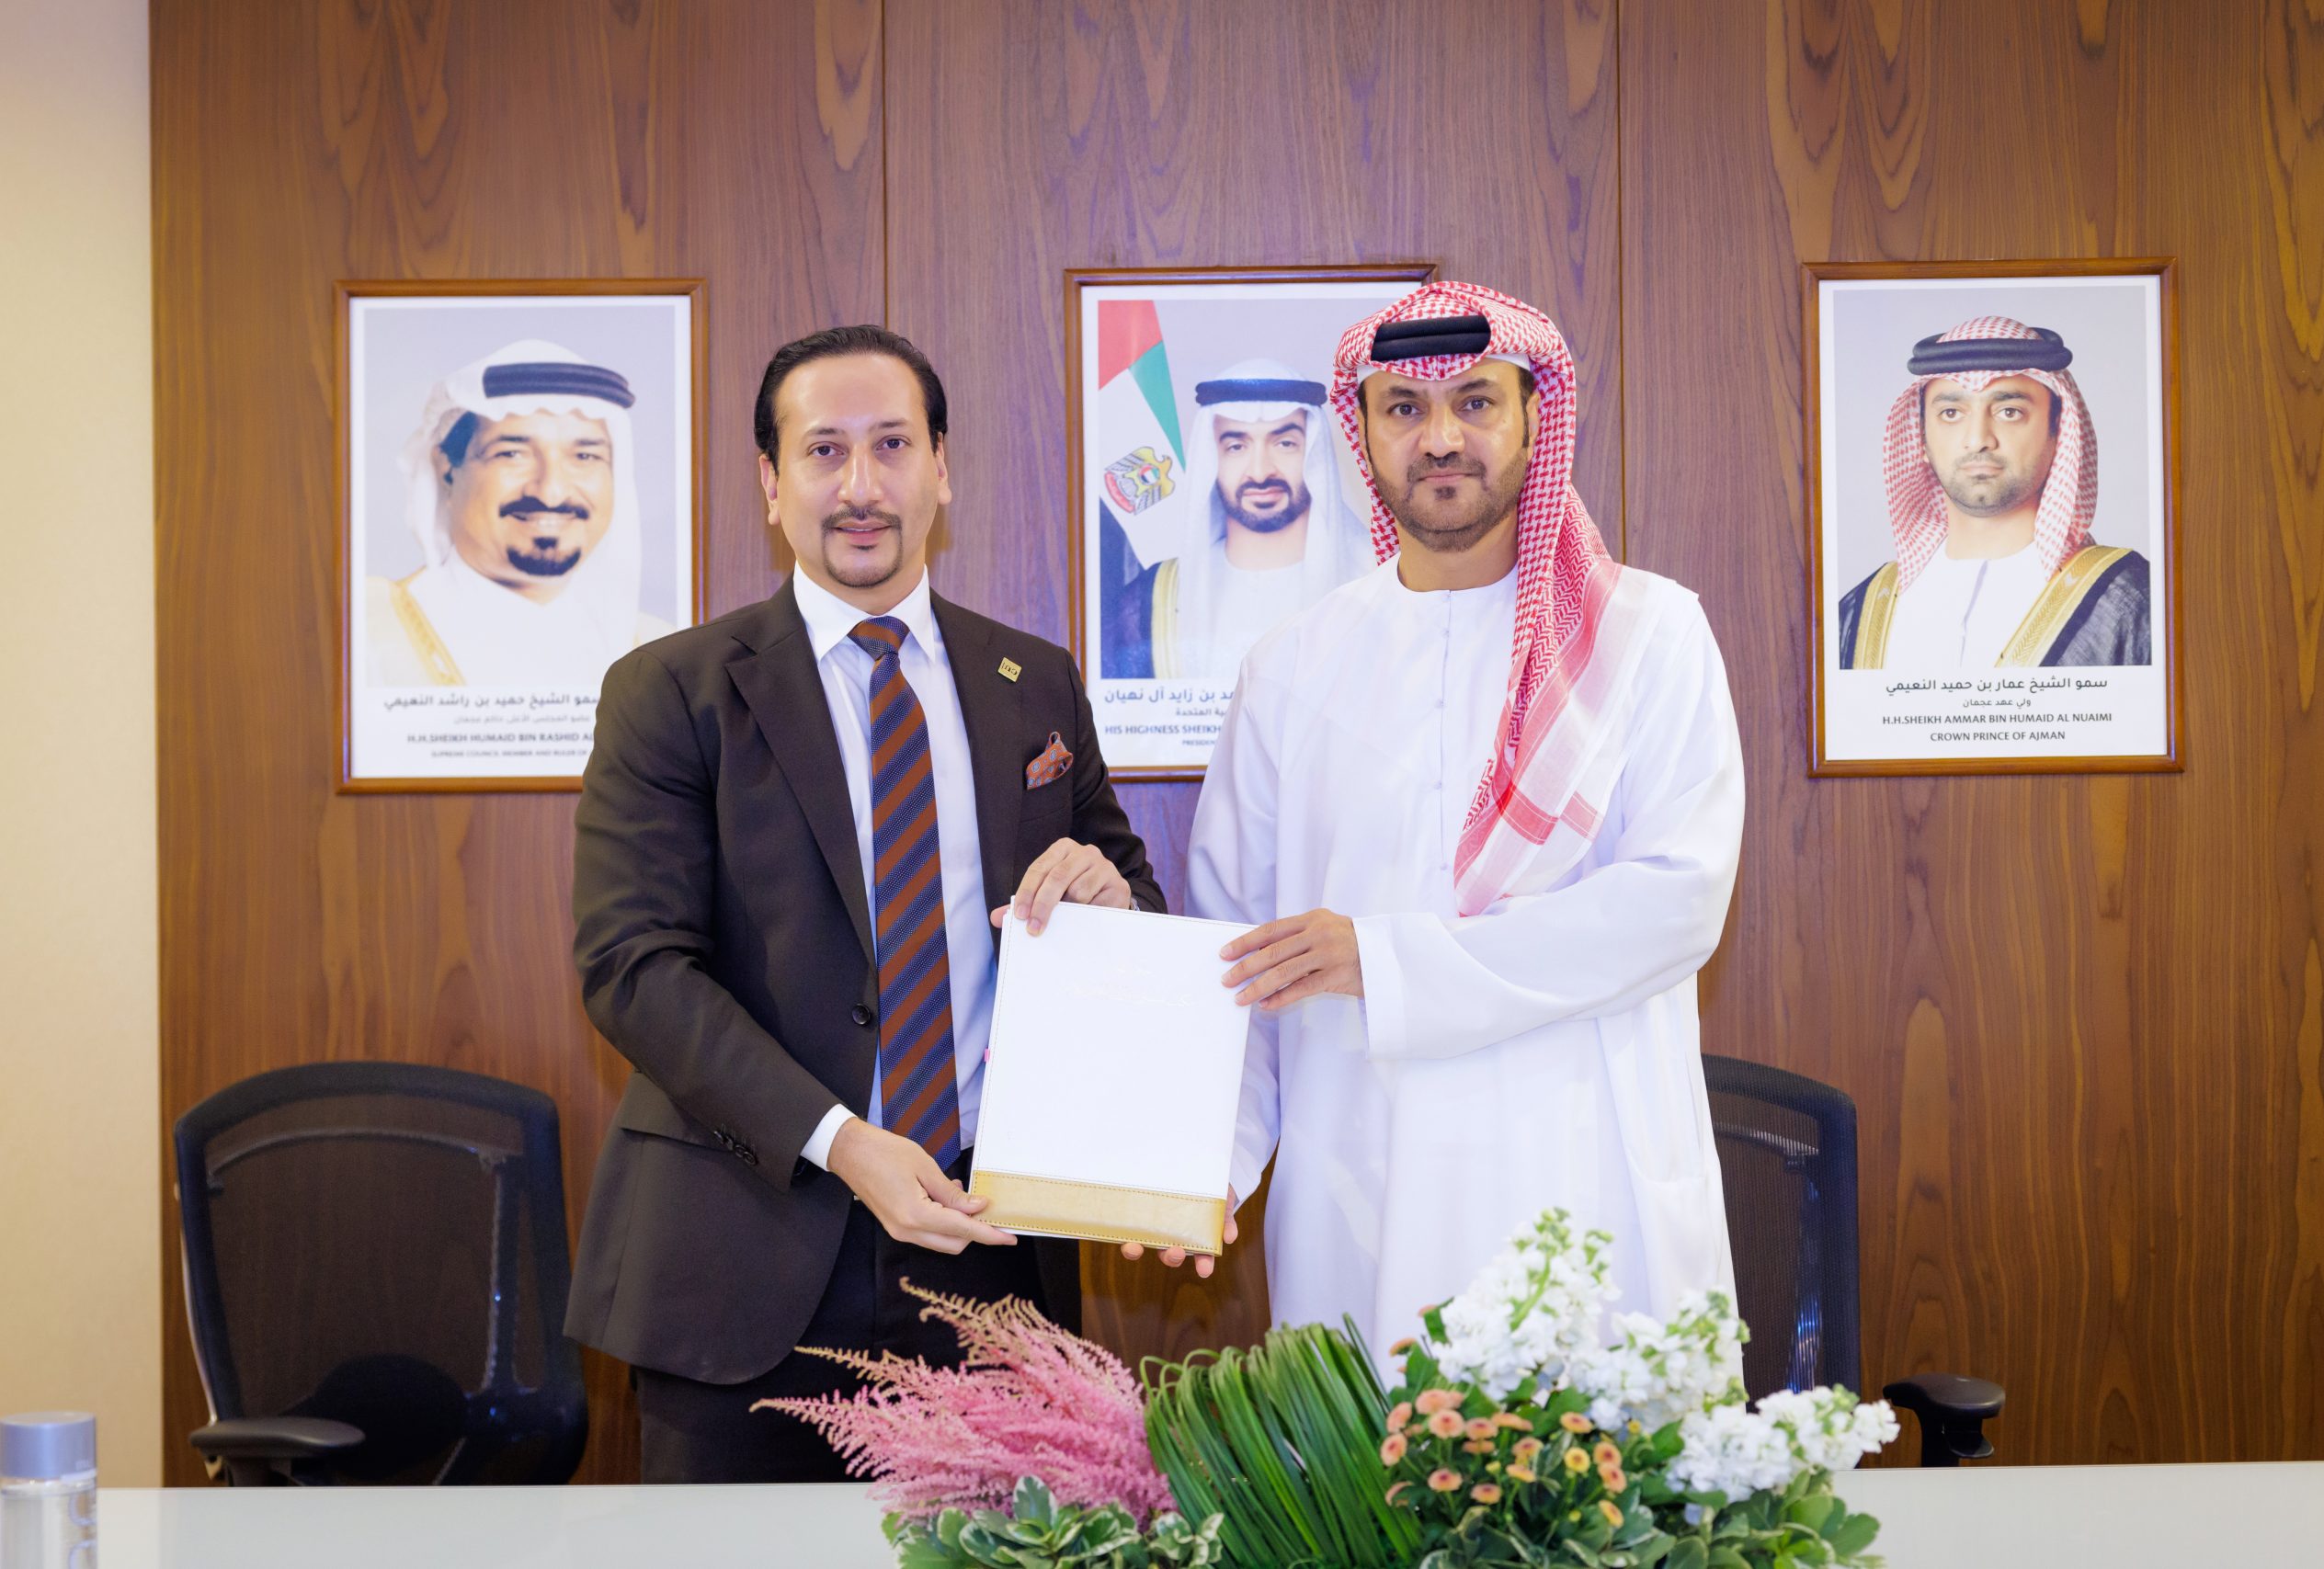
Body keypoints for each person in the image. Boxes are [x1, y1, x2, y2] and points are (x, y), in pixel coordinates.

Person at [564, 324, 1163, 1483]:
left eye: (891, 446)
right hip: (743, 1251)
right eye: (824, 450)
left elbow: (1127, 891)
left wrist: (1115, 906)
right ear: (770, 482)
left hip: (991, 1248)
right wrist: (842, 1144)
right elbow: (633, 968)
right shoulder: (670, 691)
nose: (860, 486)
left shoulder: (1034, 679)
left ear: (942, 469)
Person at [1163, 281, 1744, 1362]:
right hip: (1361, 1184)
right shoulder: (1288, 667)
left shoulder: (1647, 637)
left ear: (1534, 417)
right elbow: (1240, 955)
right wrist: (1208, 1169)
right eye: (1403, 409)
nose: (1439, 438)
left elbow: (1675, 906)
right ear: (1361, 434)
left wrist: (1381, 960)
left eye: (1475, 402)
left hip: (1583, 1173)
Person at [1838, 317, 2151, 670]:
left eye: (2009, 412)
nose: (1978, 439)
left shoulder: (2129, 600)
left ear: (2059, 434)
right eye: (1951, 413)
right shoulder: (1862, 611)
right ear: (1921, 439)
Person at [366, 339, 673, 687]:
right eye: (512, 454)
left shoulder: (657, 648)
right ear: (447, 469)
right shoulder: (367, 630)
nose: (551, 491)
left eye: (585, 457)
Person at [1099, 358, 1373, 685]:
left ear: (1313, 455)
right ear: (1212, 459)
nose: (1260, 471)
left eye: (1285, 444)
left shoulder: (1372, 584)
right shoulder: (1152, 598)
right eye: (1236, 447)